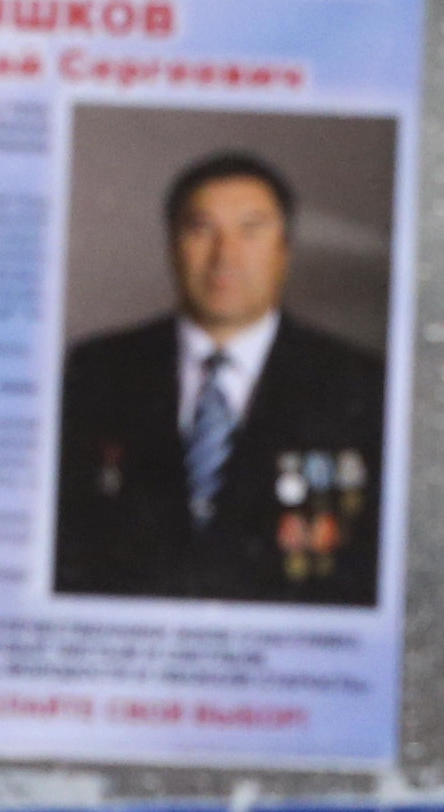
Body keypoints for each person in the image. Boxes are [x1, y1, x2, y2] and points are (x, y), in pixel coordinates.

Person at [50, 150, 392, 606]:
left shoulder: (360, 382)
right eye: (201, 229)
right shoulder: (97, 370)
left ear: (284, 249)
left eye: (251, 231)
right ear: (173, 244)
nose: (225, 256)